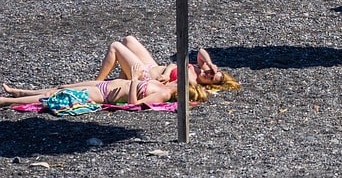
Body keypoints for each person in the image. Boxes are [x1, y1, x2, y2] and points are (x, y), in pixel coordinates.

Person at [93, 35, 239, 92]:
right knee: (128, 40)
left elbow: (178, 70)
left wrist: (168, 73)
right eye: (211, 72)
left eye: (210, 77)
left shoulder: (193, 81)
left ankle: (98, 83)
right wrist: (209, 63)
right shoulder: (199, 68)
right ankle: (121, 81)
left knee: (115, 46)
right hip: (154, 67)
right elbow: (200, 51)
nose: (208, 73)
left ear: (208, 84)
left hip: (145, 75)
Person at [1, 72, 203, 110]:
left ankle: (5, 101)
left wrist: (133, 81)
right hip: (106, 85)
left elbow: (133, 104)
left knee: (54, 96)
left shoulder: (165, 94)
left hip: (104, 95)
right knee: (61, 87)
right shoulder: (163, 84)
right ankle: (20, 92)